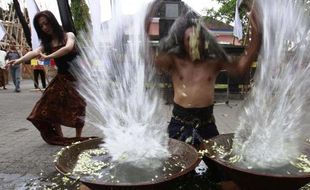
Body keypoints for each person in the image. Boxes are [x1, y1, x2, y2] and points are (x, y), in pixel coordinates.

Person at [7, 10, 94, 146]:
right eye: (41, 26)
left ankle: (78, 138)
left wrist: (49, 57)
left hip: (78, 78)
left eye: (46, 23)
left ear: (52, 21)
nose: (45, 27)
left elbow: (67, 48)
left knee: (78, 107)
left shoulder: (68, 35)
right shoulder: (46, 44)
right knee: (50, 105)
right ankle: (60, 137)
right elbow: (34, 52)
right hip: (62, 77)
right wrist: (18, 60)